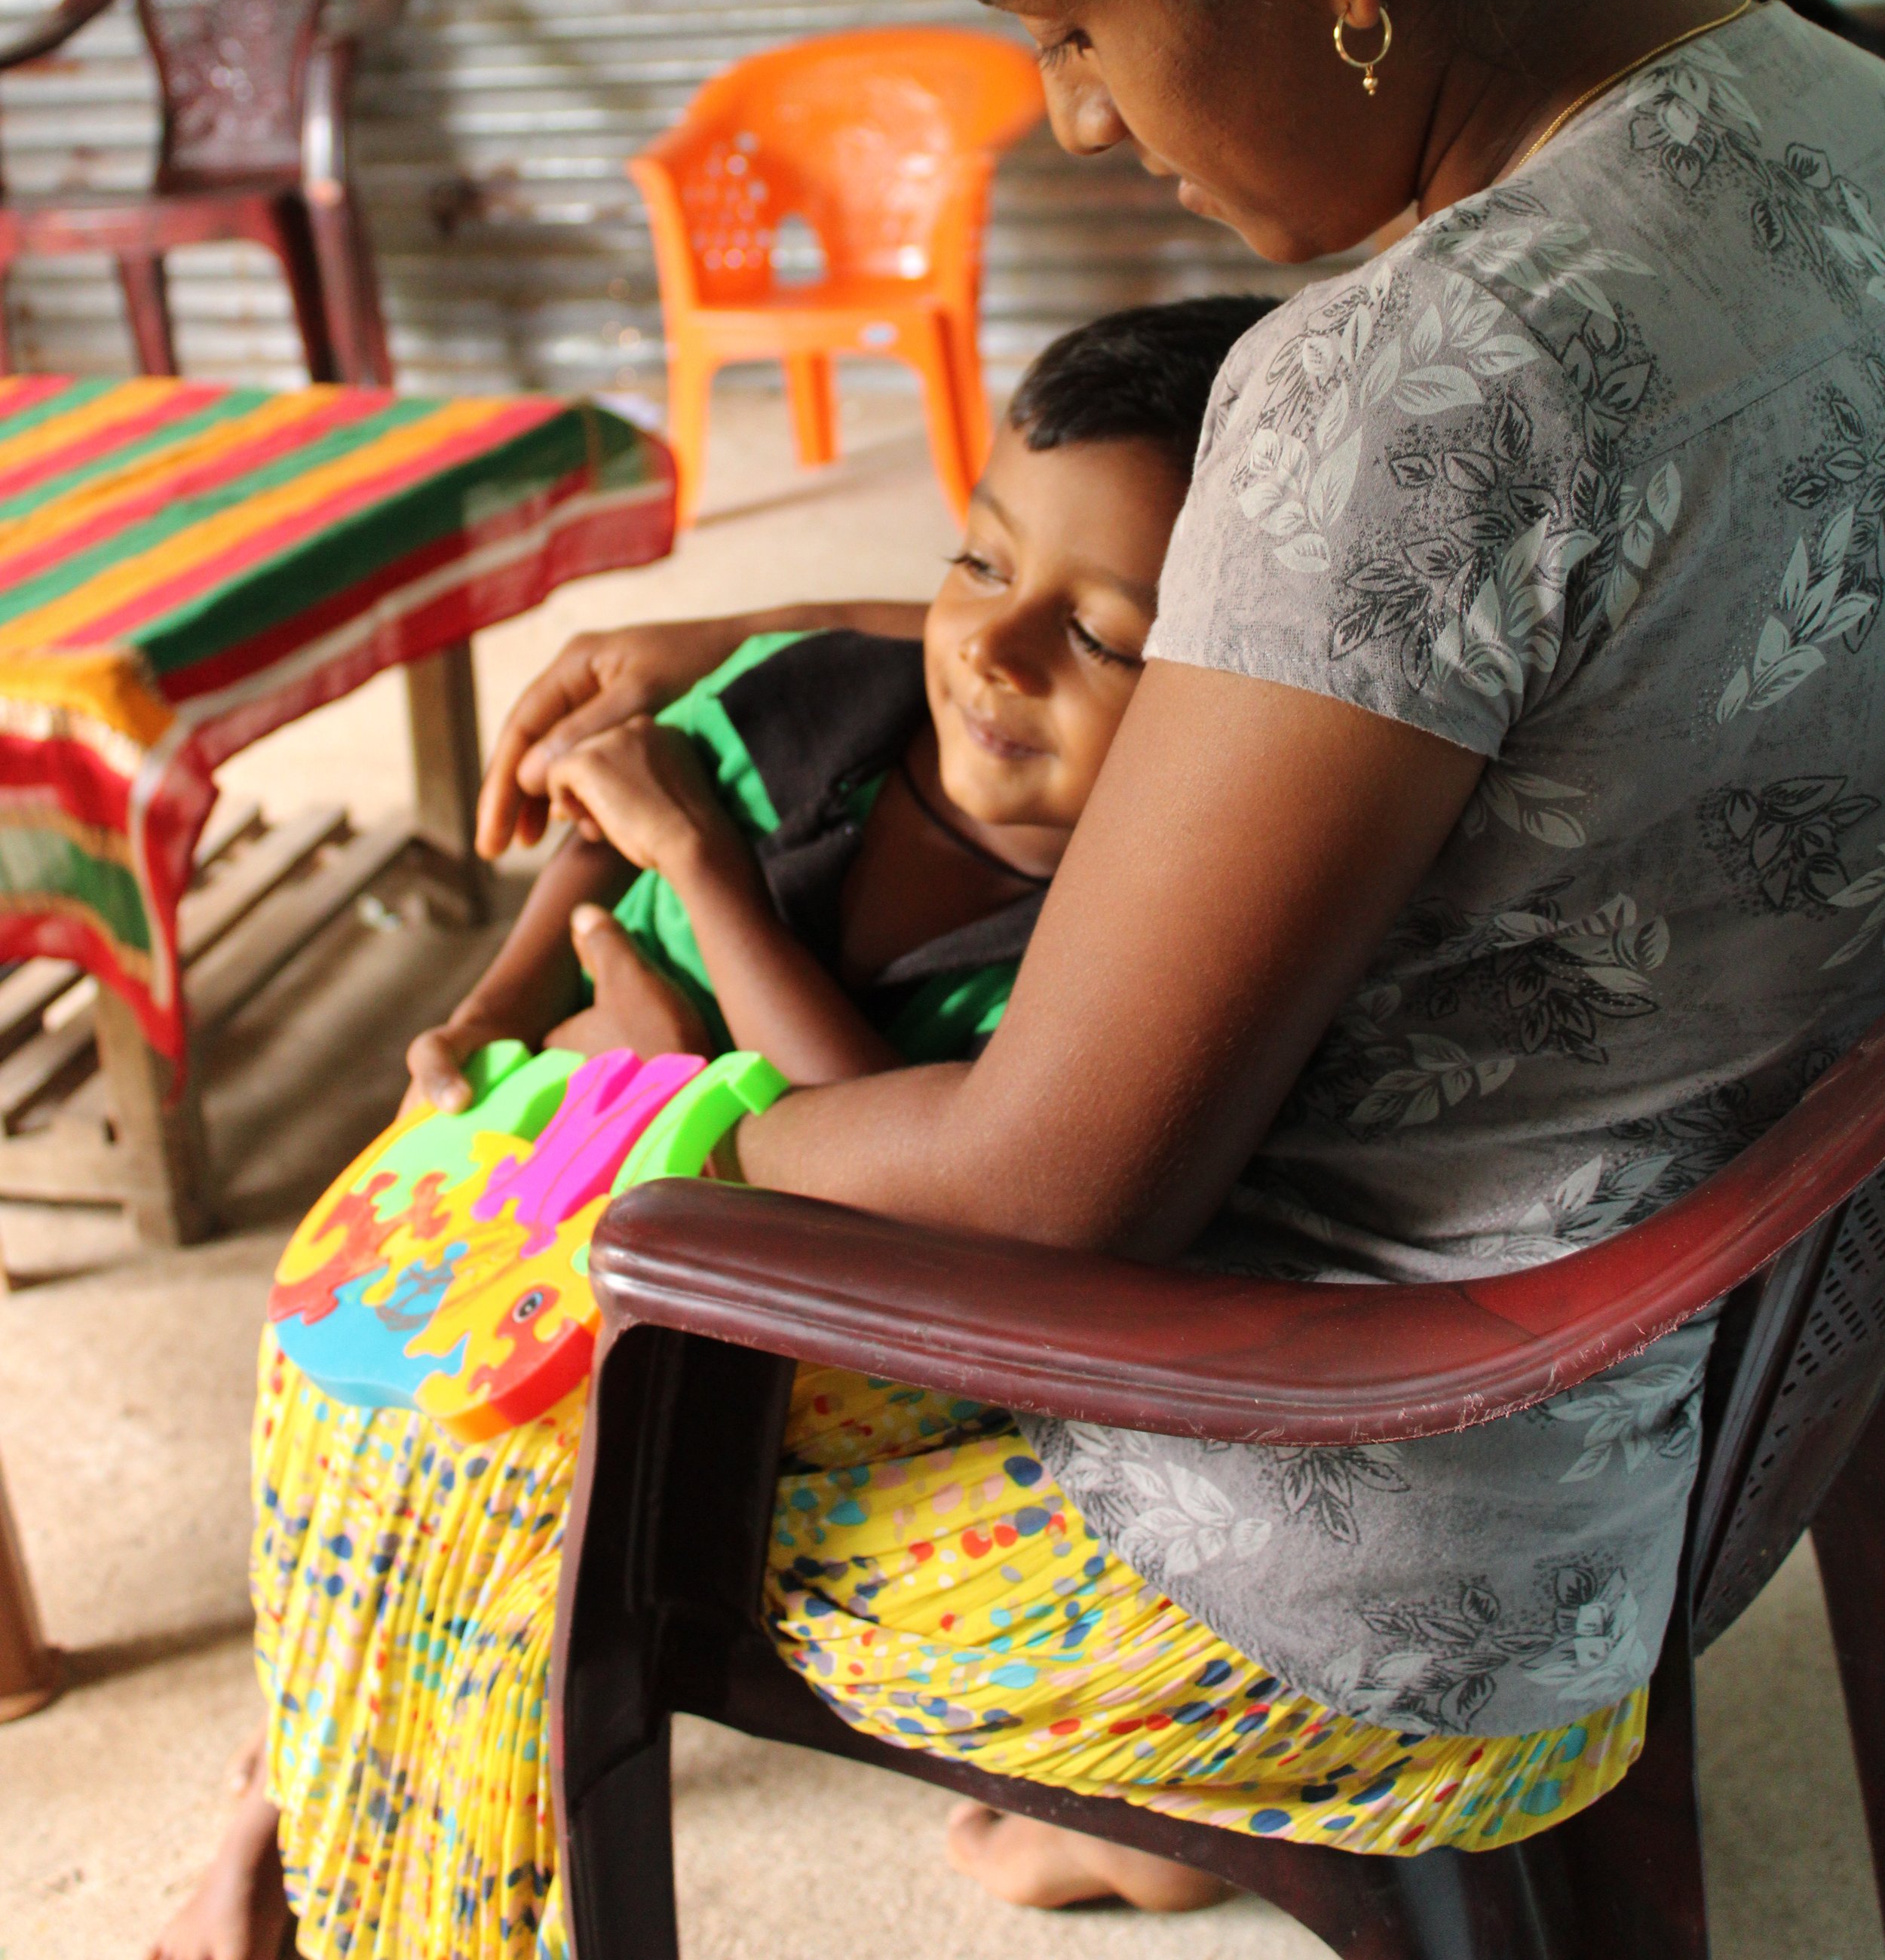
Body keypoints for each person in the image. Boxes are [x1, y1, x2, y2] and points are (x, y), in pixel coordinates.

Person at [167, 0, 1885, 1949]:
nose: (1076, 121)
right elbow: (1499, 639)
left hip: (1360, 1531)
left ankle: (362, 1890)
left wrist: (650, 1105)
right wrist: (838, 601)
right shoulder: (1831, 109)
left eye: (1067, 29)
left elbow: (1048, 1193)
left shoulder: (1407, 385)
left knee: (399, 1333)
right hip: (1739, 1358)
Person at [154, 296, 1273, 1960]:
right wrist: (494, 1003)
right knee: (336, 1353)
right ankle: (284, 1792)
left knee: (494, 1459)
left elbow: (894, 1139)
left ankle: (371, 1851)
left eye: (1101, 638)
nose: (993, 651)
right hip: (557, 1147)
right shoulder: (823, 690)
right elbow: (602, 825)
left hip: (794, 1305)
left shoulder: (1111, 943)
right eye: (975, 563)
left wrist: (699, 919)